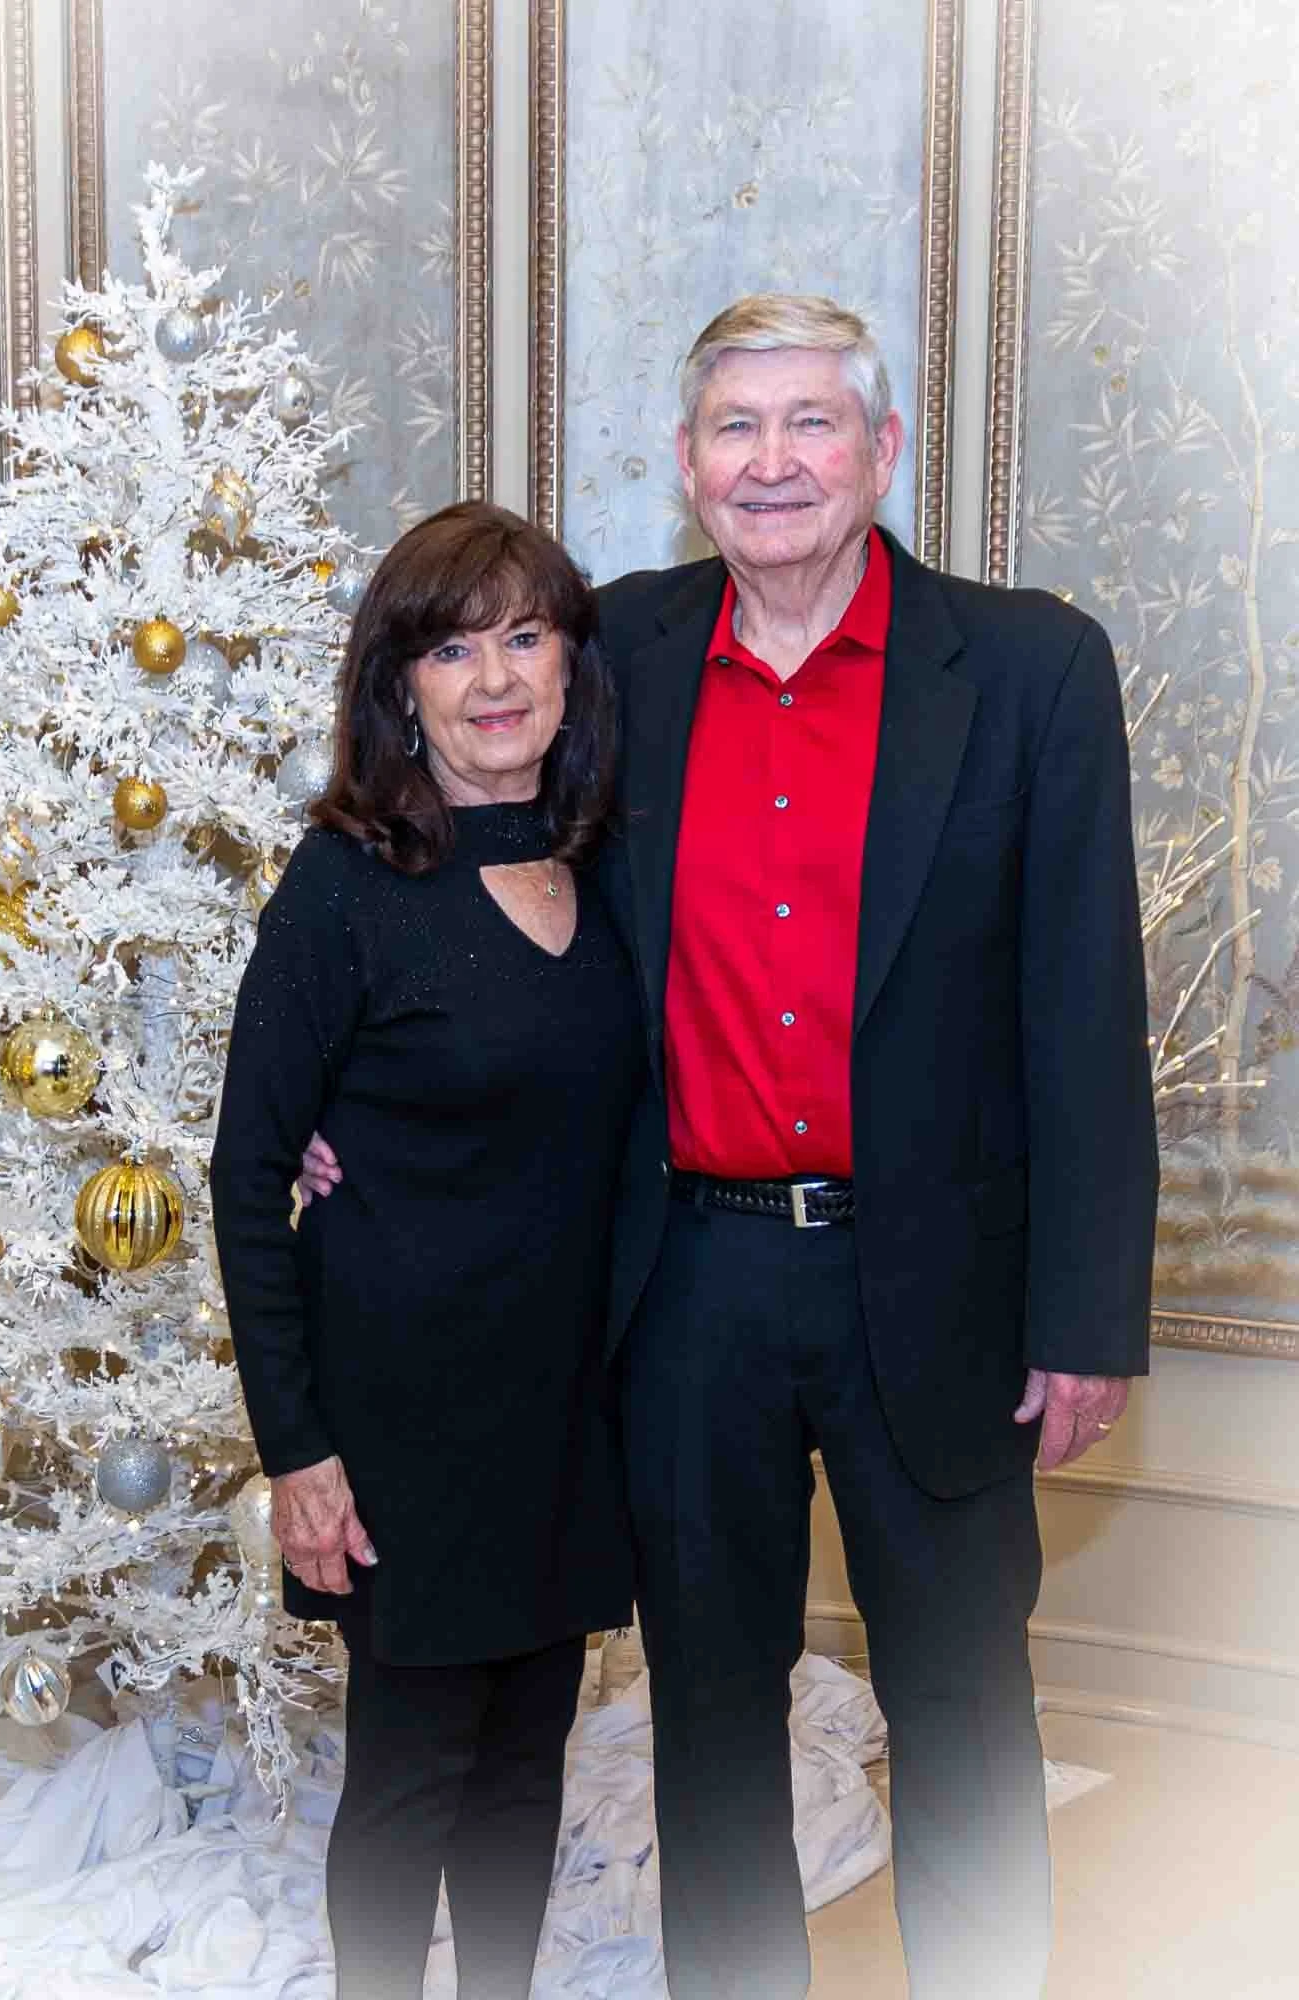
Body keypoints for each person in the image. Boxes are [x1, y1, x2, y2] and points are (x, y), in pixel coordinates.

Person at [302, 295, 1159, 1998]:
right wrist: (337, 1086)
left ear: (881, 451)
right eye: (736, 431)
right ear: (686, 467)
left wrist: (1089, 1316)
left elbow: (1085, 1007)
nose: (774, 463)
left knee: (968, 1712)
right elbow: (449, 852)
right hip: (685, 1284)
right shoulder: (609, 651)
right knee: (708, 1723)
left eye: (811, 423)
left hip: (946, 1286)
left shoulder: (1032, 668)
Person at [209, 500, 640, 2000]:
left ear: (574, 665)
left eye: (526, 635)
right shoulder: (344, 886)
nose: (495, 677)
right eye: (453, 647)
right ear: (402, 685)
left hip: (568, 1416)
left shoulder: (608, 871)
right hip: (399, 1427)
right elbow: (249, 1170)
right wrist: (298, 1452)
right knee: (409, 1781)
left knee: (527, 1768)